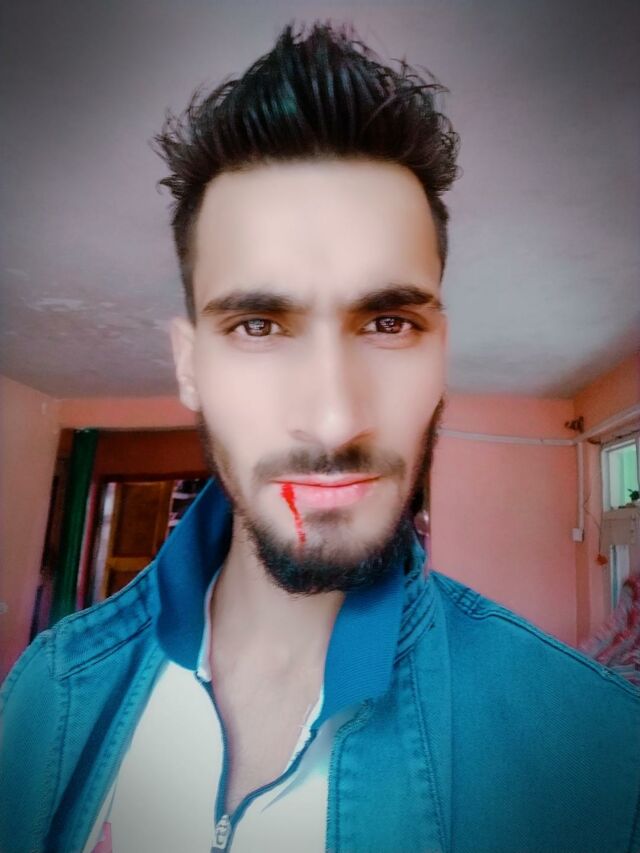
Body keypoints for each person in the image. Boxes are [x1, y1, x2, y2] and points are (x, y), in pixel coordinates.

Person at [1, 21, 639, 853]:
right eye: (259, 326)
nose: (335, 420)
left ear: (441, 352)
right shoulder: (45, 692)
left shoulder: (600, 756)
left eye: (388, 322)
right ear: (190, 366)